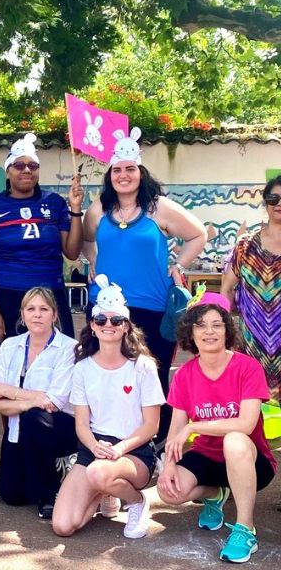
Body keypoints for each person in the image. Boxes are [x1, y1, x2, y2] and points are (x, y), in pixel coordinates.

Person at [82, 127, 206, 448]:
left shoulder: (159, 208)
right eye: (117, 170)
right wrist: (93, 261)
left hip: (152, 308)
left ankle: (158, 442)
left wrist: (178, 265)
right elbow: (85, 238)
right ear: (110, 175)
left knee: (152, 377)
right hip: (106, 311)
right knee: (107, 375)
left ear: (141, 172)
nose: (123, 176)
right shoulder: (98, 210)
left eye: (130, 169)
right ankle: (106, 438)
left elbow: (198, 235)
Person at [157, 292, 276, 564]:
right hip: (208, 457)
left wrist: (193, 427)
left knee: (234, 439)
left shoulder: (247, 367)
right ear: (190, 331)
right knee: (168, 490)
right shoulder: (184, 374)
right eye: (200, 325)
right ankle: (216, 492)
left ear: (226, 329)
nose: (209, 331)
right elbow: (176, 429)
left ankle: (245, 529)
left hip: (250, 459)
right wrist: (169, 467)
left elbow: (246, 424)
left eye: (216, 324)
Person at [52, 275, 165, 539]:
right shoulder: (81, 368)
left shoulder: (143, 366)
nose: (108, 325)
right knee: (64, 525)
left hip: (132, 450)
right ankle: (106, 490)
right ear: (92, 325)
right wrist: (93, 447)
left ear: (126, 326)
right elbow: (81, 424)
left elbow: (152, 425)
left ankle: (136, 501)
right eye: (101, 320)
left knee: (99, 472)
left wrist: (119, 449)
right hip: (95, 448)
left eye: (116, 320)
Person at [0, 133, 84, 342]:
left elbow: (71, 252)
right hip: (7, 296)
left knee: (60, 359)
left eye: (32, 166)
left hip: (51, 295)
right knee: (15, 366)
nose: (26, 170)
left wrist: (76, 210)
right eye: (19, 165)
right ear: (8, 172)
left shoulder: (54, 203)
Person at [0, 287, 77, 519]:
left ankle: (50, 493)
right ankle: (42, 474)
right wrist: (31, 399)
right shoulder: (9, 346)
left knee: (35, 418)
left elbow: (54, 402)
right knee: (11, 495)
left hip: (59, 426)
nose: (37, 315)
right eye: (31, 309)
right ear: (22, 315)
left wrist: (8, 391)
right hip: (20, 427)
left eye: (44, 309)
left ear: (54, 315)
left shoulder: (69, 348)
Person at [221, 175, 281, 402]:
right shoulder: (245, 245)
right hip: (251, 343)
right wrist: (227, 331)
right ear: (265, 203)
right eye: (273, 198)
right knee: (253, 408)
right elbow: (227, 290)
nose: (279, 203)